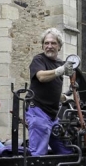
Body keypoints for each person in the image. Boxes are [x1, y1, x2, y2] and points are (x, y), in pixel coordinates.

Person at [27, 28, 75, 156]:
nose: (49, 46)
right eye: (46, 43)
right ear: (42, 46)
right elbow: (42, 77)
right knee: (38, 154)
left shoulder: (59, 63)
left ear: (59, 46)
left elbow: (50, 88)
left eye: (53, 43)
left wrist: (62, 97)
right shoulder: (39, 60)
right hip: (38, 112)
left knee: (66, 152)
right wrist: (60, 70)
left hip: (53, 116)